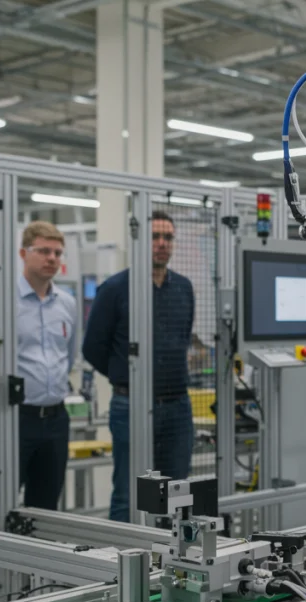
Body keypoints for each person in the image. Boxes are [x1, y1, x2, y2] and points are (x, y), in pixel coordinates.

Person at [0, 221, 77, 602]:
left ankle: (39, 594)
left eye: (57, 253)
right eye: (44, 251)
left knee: (46, 514)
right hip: (12, 421)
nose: (52, 259)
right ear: (23, 252)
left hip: (55, 420)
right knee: (0, 511)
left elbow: (68, 357)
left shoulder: (67, 304)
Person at [82, 211, 195, 522]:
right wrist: (125, 374)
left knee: (177, 493)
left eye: (167, 238)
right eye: (154, 237)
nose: (161, 244)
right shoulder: (116, 288)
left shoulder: (183, 288)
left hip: (177, 406)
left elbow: (182, 338)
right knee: (128, 494)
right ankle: (122, 565)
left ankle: (173, 564)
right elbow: (92, 347)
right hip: (129, 405)